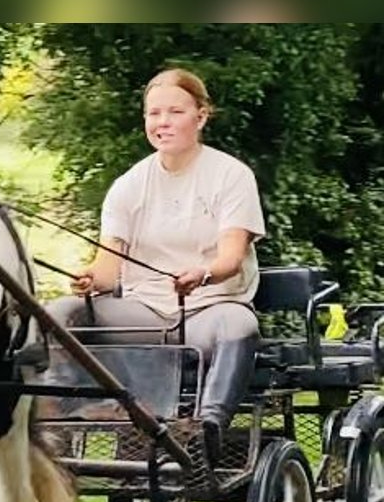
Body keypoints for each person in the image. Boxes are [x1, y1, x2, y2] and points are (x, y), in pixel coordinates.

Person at [43, 67, 266, 462]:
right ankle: (58, 418)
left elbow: (231, 259)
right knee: (62, 311)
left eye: (175, 112)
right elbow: (108, 271)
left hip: (206, 313)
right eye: (154, 113)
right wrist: (89, 278)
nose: (162, 122)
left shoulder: (232, 175)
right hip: (143, 316)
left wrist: (203, 274)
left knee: (240, 323)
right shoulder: (129, 185)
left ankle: (206, 428)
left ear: (201, 115)